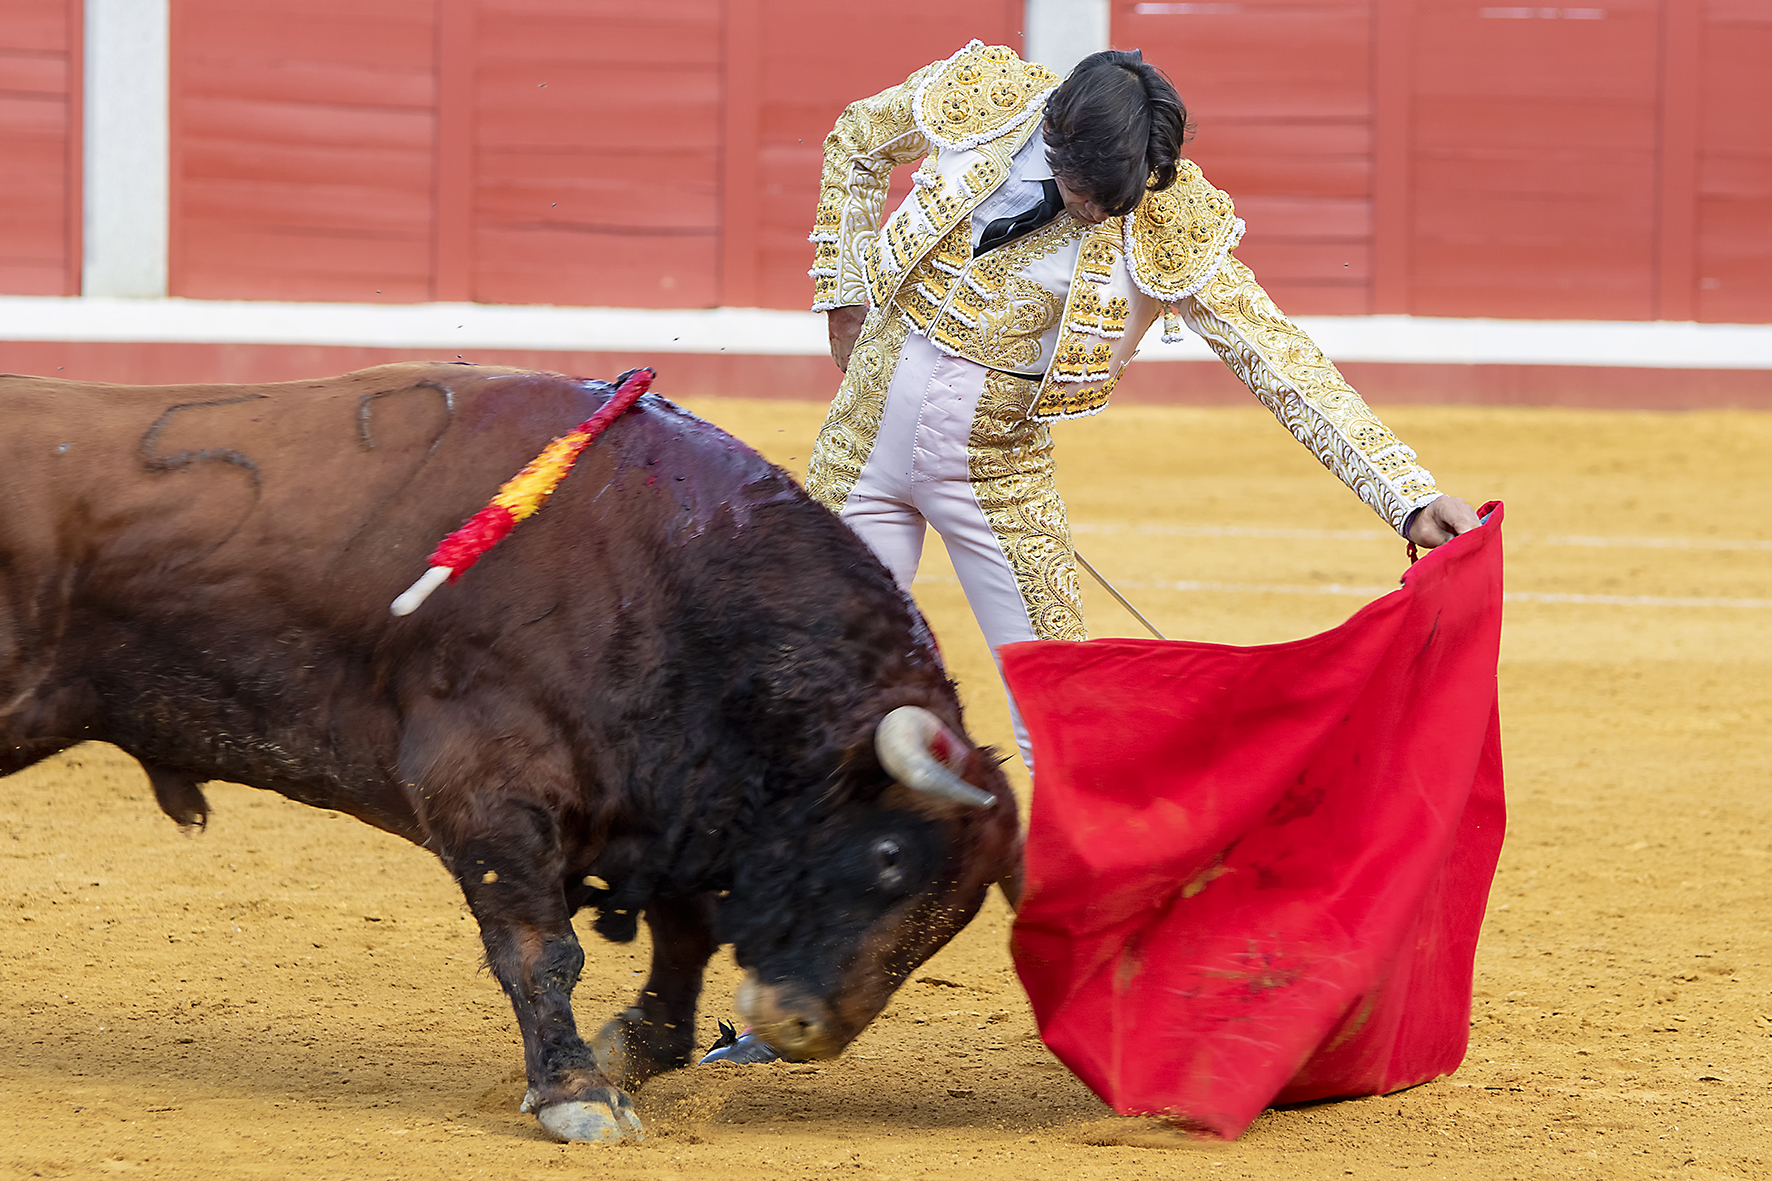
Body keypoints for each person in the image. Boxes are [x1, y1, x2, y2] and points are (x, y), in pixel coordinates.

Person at [800, 40, 1479, 776]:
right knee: (812, 681)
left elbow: (1278, 357)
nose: (1094, 213)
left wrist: (1406, 495)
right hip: (861, 440)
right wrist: (841, 297)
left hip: (995, 474)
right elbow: (859, 139)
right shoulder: (985, 96)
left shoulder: (1165, 214)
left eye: (1112, 200)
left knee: (1062, 729)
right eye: (1081, 190)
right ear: (1052, 131)